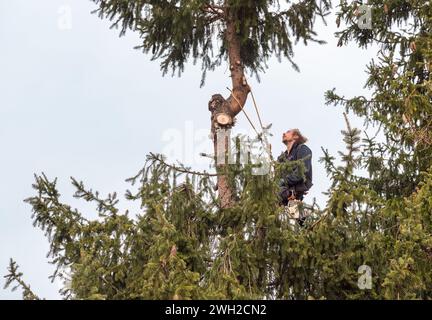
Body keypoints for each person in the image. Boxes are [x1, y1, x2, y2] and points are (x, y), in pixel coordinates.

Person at [277, 129, 313, 206]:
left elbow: (302, 171)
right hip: (282, 191)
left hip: (295, 190)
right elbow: (277, 176)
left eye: (288, 132)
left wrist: (283, 181)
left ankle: (290, 196)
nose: (284, 133)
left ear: (296, 136)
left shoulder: (302, 149)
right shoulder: (282, 158)